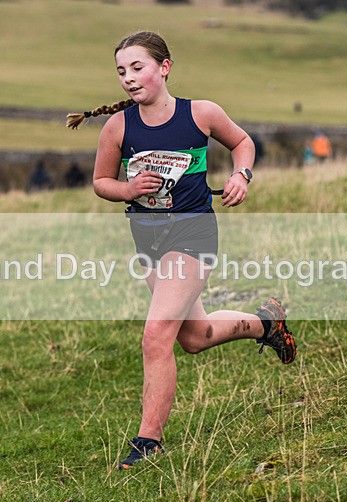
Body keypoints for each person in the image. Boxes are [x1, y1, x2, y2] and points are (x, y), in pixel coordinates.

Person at [67, 31, 297, 469]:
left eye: (137, 68)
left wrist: (241, 175)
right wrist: (129, 188)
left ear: (164, 67)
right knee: (193, 336)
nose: (129, 79)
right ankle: (266, 323)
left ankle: (148, 443)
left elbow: (243, 143)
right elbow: (101, 182)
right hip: (147, 238)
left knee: (156, 335)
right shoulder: (118, 127)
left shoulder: (201, 113)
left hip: (192, 233)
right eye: (121, 71)